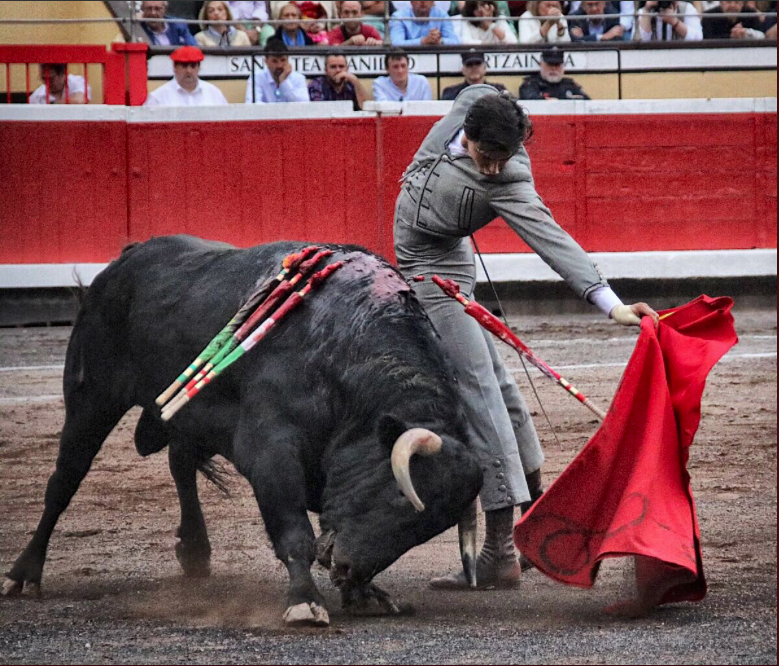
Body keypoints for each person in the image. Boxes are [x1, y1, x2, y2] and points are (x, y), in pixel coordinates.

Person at [393, 86, 658, 590]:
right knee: (496, 379)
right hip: (418, 268)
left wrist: (610, 303)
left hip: (439, 280)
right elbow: (479, 88)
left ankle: (499, 551)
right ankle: (539, 513)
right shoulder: (466, 108)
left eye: (504, 159)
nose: (494, 168)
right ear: (466, 134)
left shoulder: (510, 176)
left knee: (478, 391)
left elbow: (553, 240)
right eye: (487, 158)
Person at [144, 46, 229, 106]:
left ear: (199, 67)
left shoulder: (214, 93)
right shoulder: (158, 96)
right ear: (175, 67)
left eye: (193, 66)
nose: (189, 71)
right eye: (184, 66)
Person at [245, 38, 311, 103]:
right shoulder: (256, 77)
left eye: (283, 60)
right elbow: (251, 103)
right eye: (274, 61)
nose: (279, 65)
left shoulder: (298, 78)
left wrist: (284, 81)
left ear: (288, 59)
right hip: (266, 114)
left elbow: (303, 104)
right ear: (266, 61)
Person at [518, 47, 590, 99]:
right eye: (550, 64)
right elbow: (529, 98)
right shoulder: (530, 85)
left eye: (557, 65)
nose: (553, 68)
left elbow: (586, 101)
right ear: (541, 64)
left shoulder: (570, 85)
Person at [441, 50, 507, 100]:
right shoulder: (451, 93)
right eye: (469, 64)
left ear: (485, 68)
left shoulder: (498, 90)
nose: (474, 67)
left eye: (477, 63)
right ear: (463, 70)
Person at [390, 0, 462, 44]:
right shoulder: (398, 17)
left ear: (433, 2)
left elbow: (455, 41)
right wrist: (422, 41)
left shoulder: (441, 15)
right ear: (411, 2)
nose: (423, 2)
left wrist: (440, 41)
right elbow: (396, 43)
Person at [453, 0, 520, 43]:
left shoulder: (500, 20)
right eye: (476, 8)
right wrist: (486, 45)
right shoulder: (467, 22)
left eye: (483, 5)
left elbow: (513, 42)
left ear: (491, 6)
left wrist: (491, 25)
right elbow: (465, 41)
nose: (481, 11)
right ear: (471, 11)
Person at [636, 0, 704, 40]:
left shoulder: (686, 8)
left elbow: (698, 38)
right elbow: (643, 40)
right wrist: (647, 10)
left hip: (681, 55)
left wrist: (675, 23)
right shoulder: (644, 11)